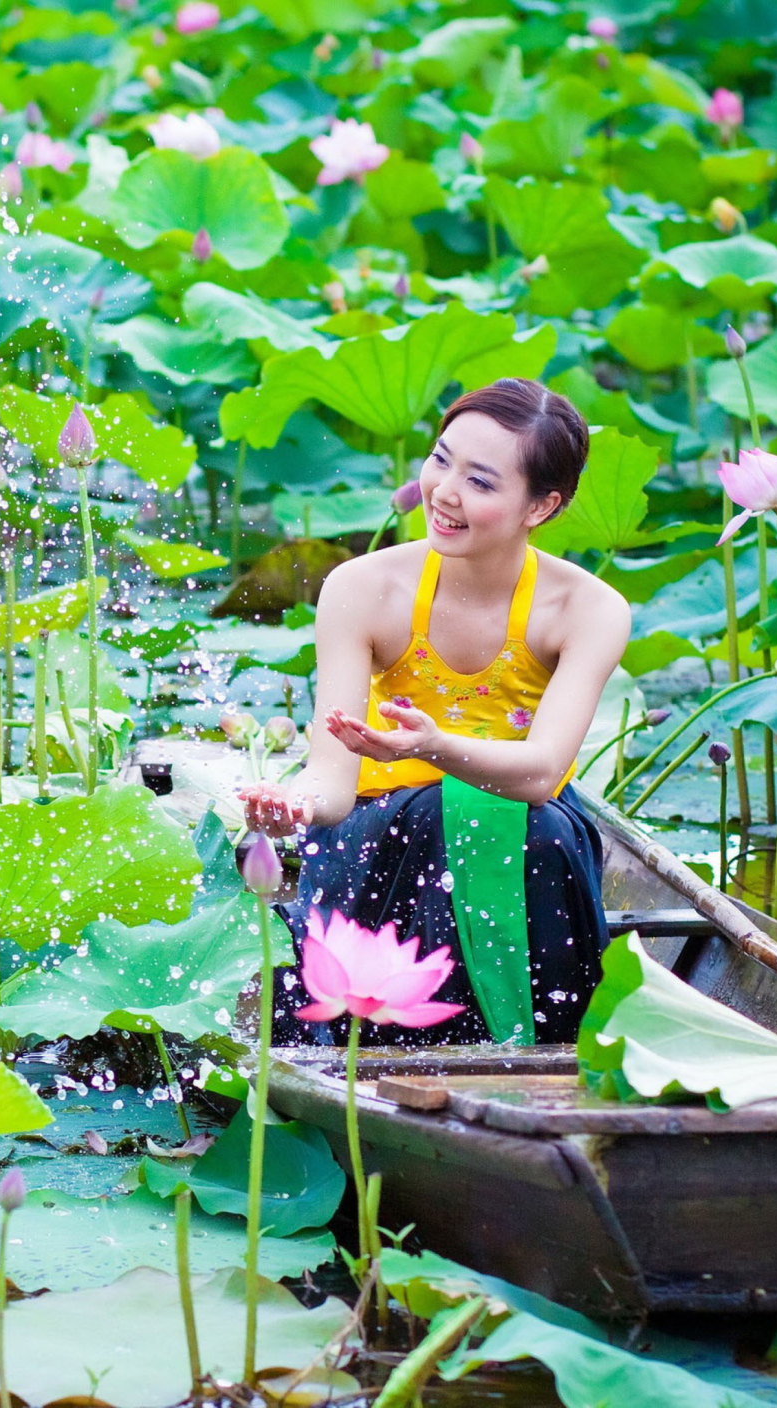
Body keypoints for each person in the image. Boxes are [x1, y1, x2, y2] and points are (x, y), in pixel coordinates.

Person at [239, 378, 630, 1047]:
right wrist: (294, 806)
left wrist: (431, 746)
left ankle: (539, 1050)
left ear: (542, 506)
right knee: (439, 816)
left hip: (527, 836)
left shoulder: (587, 609)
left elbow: (540, 774)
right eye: (441, 460)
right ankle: (425, 1048)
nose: (444, 492)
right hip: (381, 844)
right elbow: (333, 782)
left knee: (526, 826)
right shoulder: (363, 588)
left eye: (480, 482)